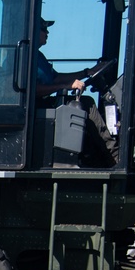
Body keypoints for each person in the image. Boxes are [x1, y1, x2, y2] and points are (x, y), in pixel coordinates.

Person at [36, 19, 119, 167]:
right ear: (34, 31)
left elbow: (56, 78)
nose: (47, 32)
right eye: (43, 29)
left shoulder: (39, 57)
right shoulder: (27, 57)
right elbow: (33, 89)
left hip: (44, 103)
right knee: (86, 103)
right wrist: (66, 85)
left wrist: (86, 72)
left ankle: (94, 156)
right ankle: (114, 157)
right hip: (36, 107)